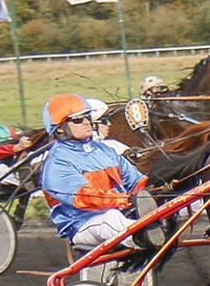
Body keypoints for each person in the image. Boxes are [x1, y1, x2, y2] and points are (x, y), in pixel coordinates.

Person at [38, 93, 147, 250]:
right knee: (111, 218)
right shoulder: (57, 162)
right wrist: (126, 199)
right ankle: (143, 236)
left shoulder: (105, 151)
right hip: (82, 224)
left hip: (122, 214)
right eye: (78, 120)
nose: (87, 122)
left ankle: (150, 230)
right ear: (60, 129)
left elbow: (136, 182)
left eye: (87, 117)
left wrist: (158, 189)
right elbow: (86, 198)